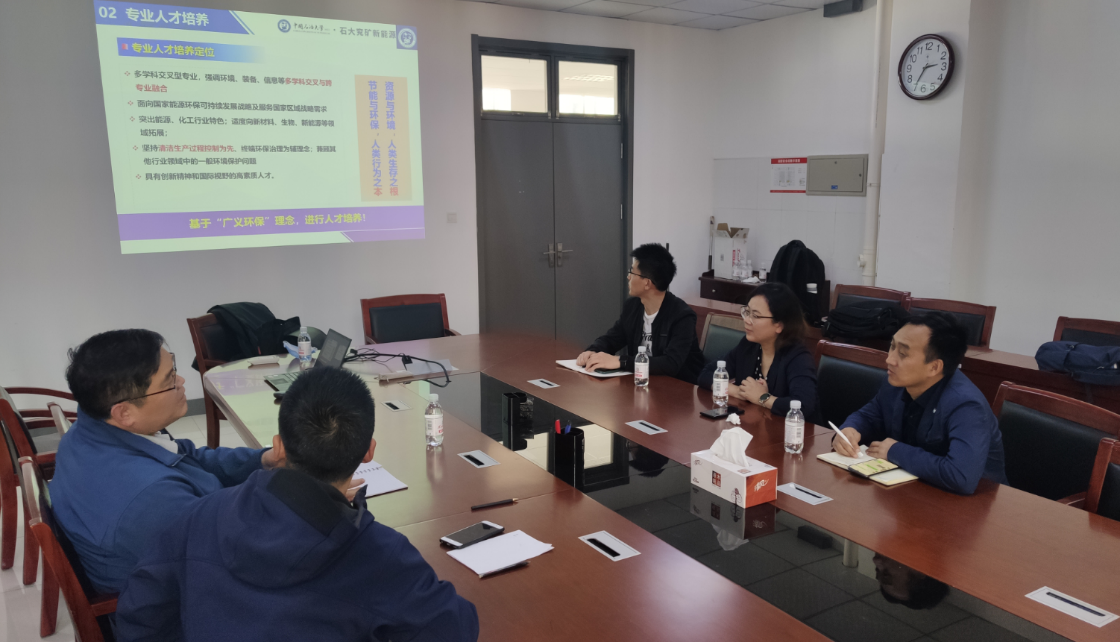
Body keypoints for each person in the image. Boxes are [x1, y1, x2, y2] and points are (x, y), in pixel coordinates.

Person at [116, 366, 479, 642]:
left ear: (278, 446)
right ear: (368, 452)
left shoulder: (200, 514)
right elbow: (454, 628)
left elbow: (141, 613)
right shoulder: (382, 555)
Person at [51, 329, 280, 592]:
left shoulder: (94, 426)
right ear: (124, 412)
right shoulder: (152, 498)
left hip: (178, 556)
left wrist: (264, 459)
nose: (181, 381)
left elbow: (187, 456)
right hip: (175, 599)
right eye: (169, 380)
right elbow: (235, 554)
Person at [832, 312, 1007, 495]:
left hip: (975, 504)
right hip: (914, 489)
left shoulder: (966, 405)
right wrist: (849, 430)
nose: (889, 359)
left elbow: (960, 476)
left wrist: (895, 451)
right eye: (892, 346)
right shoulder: (895, 383)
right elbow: (869, 415)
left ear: (934, 367)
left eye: (902, 353)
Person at [575, 243, 706, 383]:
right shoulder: (632, 307)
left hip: (679, 387)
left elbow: (671, 364)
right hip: (643, 382)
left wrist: (621, 361)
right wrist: (593, 351)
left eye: (632, 272)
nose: (628, 277)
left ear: (647, 283)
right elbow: (612, 338)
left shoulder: (682, 316)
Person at [697, 283, 818, 418]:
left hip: (789, 429)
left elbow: (804, 406)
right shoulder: (748, 346)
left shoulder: (798, 357)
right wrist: (739, 391)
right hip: (753, 423)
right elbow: (706, 375)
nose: (747, 320)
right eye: (747, 312)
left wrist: (762, 398)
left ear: (779, 325)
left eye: (755, 316)